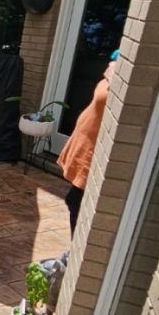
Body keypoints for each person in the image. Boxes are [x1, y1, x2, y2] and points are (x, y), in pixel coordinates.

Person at [57, 52, 118, 235]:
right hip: (87, 146)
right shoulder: (115, 70)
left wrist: (115, 67)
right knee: (76, 201)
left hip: (97, 153)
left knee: (77, 202)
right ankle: (76, 252)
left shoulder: (121, 75)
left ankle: (78, 256)